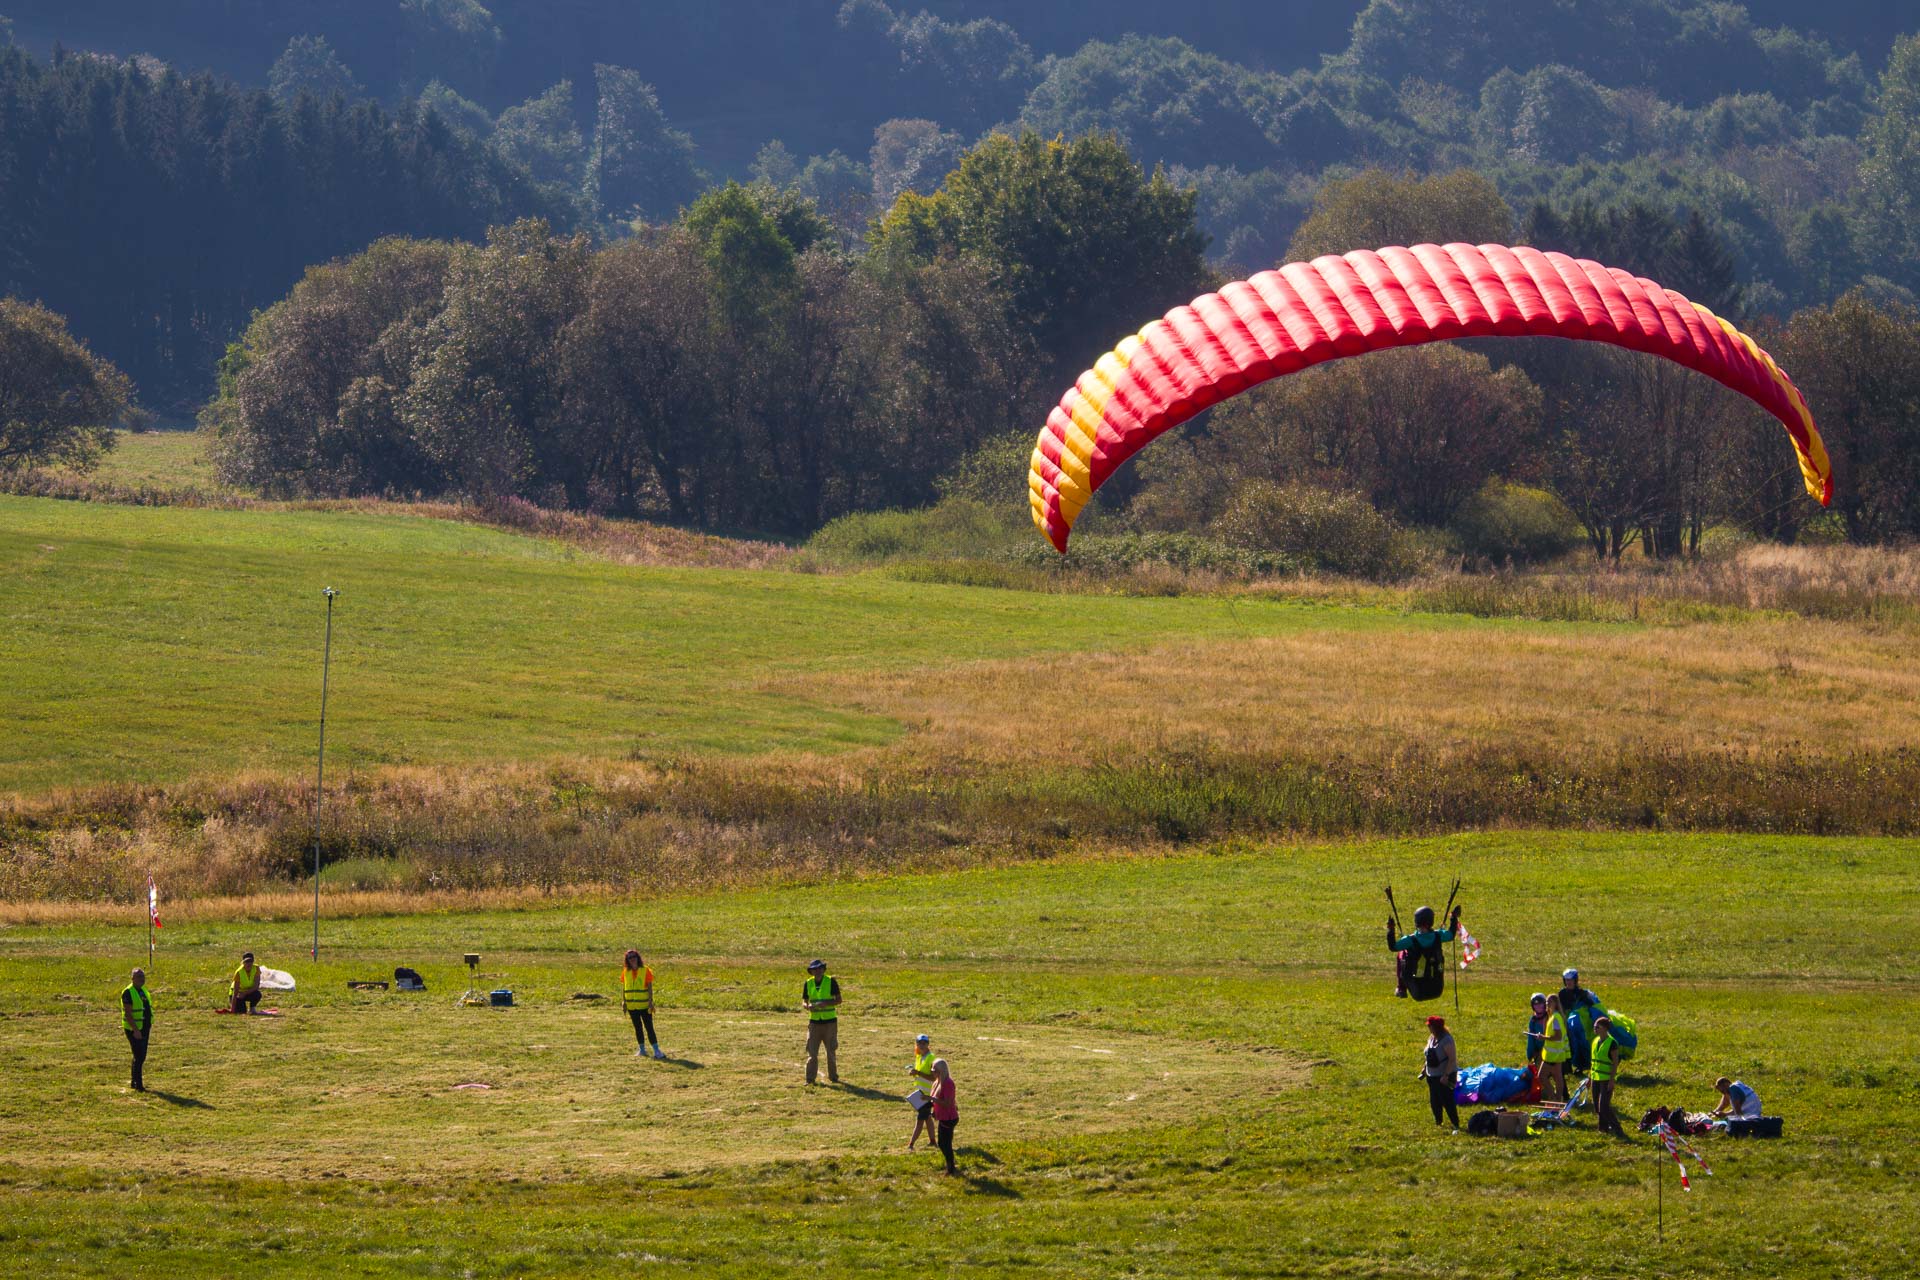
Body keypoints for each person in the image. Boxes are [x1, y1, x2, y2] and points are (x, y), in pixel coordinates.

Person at [1387, 904, 1461, 1000]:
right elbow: (1451, 935)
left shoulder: (1410, 940)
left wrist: (1391, 930)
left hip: (1418, 991)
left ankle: (1401, 988)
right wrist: (1453, 918)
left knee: (1402, 953)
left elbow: (1393, 947)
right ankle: (1401, 988)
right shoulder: (1439, 935)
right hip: (1437, 989)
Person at [802, 959, 840, 1084]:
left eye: (820, 968)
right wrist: (807, 1006)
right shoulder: (808, 983)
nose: (817, 971)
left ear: (823, 970)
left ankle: (833, 1077)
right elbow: (804, 1001)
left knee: (831, 1051)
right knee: (812, 1053)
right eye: (815, 969)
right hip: (814, 1023)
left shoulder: (831, 981)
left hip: (830, 1022)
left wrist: (826, 1003)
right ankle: (810, 1079)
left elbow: (839, 1000)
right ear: (811, 971)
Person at [1418, 1014, 1459, 1130]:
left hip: (1444, 1077)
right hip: (1432, 1075)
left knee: (1447, 1101)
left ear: (1436, 1027)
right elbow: (1428, 1055)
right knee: (1434, 1101)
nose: (1428, 1028)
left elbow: (1452, 1059)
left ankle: (1455, 1123)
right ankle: (1438, 1122)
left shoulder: (1447, 1040)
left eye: (1430, 1026)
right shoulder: (1431, 1038)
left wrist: (1446, 1075)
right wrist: (1425, 1068)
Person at [1558, 969, 1604, 1073]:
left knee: (1580, 1043)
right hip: (1566, 1024)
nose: (1569, 982)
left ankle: (1582, 1065)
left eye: (1571, 980)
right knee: (1567, 1044)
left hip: (1580, 1026)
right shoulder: (1561, 994)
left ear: (1575, 980)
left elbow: (1592, 1007)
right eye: (1567, 980)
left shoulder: (1582, 994)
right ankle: (1567, 1067)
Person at [621, 949, 663, 1060]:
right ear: (627, 960)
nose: (632, 959)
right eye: (630, 958)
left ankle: (657, 1050)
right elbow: (624, 987)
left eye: (634, 956)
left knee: (649, 1027)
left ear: (638, 958)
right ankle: (642, 1049)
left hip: (644, 1005)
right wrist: (624, 1001)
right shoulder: (625, 971)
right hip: (632, 1006)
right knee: (637, 1028)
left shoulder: (645, 970)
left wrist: (650, 1001)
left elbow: (649, 987)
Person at [1591, 1015, 1625, 1136]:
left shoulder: (1612, 1043)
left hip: (1606, 1079)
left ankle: (1617, 1128)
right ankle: (1603, 1128)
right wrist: (1590, 1077)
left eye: (1597, 1027)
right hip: (1595, 1077)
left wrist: (1612, 1080)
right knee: (1597, 1106)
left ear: (1605, 1028)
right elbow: (1593, 1062)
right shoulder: (1595, 1041)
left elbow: (1615, 1063)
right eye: (1594, 1026)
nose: (1595, 1029)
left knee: (1604, 1106)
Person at [121, 968, 153, 1091]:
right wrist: (135, 1030)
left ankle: (134, 1081)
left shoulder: (143, 990)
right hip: (134, 1029)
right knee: (139, 1056)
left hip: (144, 1027)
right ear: (132, 978)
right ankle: (138, 1085)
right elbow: (128, 1014)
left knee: (141, 1056)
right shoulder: (128, 993)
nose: (142, 979)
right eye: (139, 976)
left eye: (143, 976)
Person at [929, 1057, 959, 1175]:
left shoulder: (948, 1084)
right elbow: (937, 1101)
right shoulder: (937, 1082)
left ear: (941, 1071)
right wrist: (934, 1111)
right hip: (943, 1118)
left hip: (949, 1118)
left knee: (944, 1144)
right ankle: (951, 1166)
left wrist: (930, 1098)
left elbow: (947, 1103)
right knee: (944, 1143)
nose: (932, 1072)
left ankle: (951, 1168)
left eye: (934, 1070)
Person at [907, 1033, 937, 1150]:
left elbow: (933, 1078)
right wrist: (914, 1073)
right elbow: (919, 1073)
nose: (922, 1045)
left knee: (920, 1120)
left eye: (924, 1043)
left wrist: (918, 1073)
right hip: (921, 1092)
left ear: (928, 1044)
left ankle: (911, 1144)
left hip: (928, 1095)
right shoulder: (919, 1056)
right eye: (920, 1043)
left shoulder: (931, 1058)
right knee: (927, 1118)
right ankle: (933, 1141)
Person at [1539, 992, 1570, 1103]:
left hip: (1553, 1055)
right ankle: (1558, 1099)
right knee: (1558, 1077)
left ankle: (1553, 1096)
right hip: (1558, 1053)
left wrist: (1543, 1037)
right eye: (1547, 1002)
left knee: (1542, 1076)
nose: (1548, 1004)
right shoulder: (1554, 1017)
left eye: (1550, 1002)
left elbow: (1558, 1036)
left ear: (1556, 1003)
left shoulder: (1555, 1018)